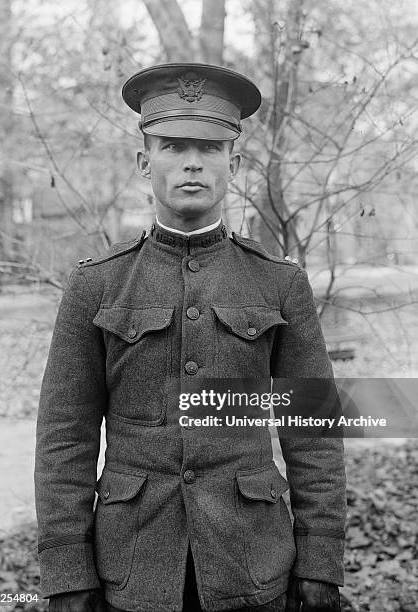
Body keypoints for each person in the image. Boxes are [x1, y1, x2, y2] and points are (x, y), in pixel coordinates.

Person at [35, 63, 346, 612]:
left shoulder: (279, 281)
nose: (192, 162)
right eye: (173, 146)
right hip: (132, 569)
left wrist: (321, 558)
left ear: (235, 162)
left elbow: (313, 431)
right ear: (143, 161)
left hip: (255, 564)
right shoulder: (97, 284)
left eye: (209, 147)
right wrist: (67, 570)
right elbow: (66, 437)